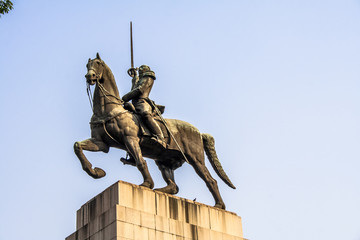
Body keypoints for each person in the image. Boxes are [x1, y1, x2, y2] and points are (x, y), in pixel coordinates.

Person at [122, 65, 166, 148]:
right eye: (139, 71)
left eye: (141, 70)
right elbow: (134, 89)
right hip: (135, 103)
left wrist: (124, 98)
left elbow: (140, 90)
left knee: (145, 114)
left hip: (142, 102)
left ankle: (160, 137)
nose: (140, 71)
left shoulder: (149, 77)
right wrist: (135, 77)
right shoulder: (140, 79)